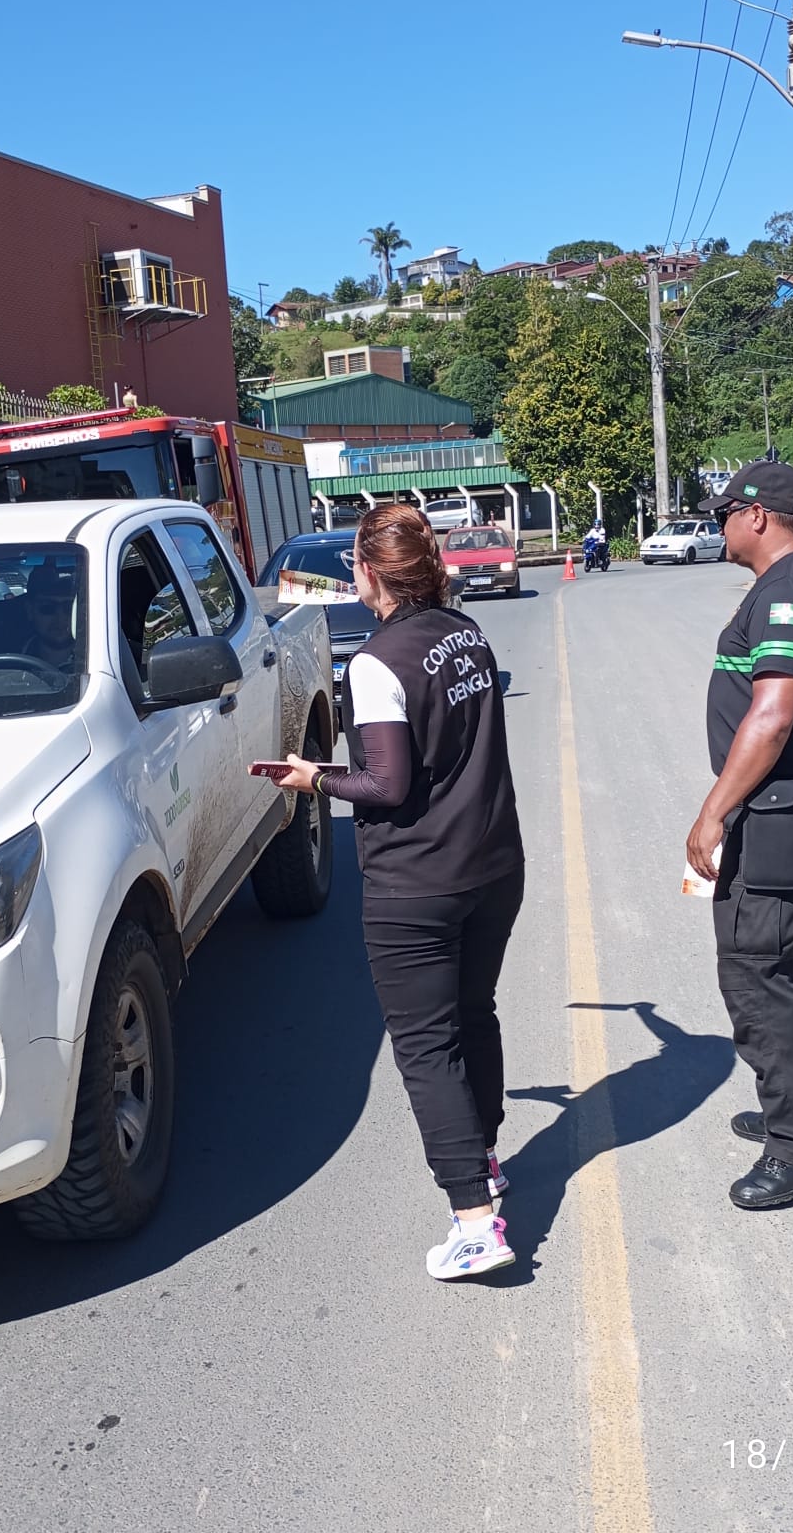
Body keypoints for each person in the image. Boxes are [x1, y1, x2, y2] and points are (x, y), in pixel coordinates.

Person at [274, 503, 524, 1280]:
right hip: (492, 865)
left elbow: (385, 783)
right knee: (473, 1014)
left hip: (419, 882)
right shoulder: (465, 634)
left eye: (354, 561)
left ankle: (475, 1221)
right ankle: (483, 1157)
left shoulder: (377, 664)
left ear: (370, 574)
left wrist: (315, 778)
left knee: (426, 1045)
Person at [684, 460, 793, 1211]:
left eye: (724, 515)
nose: (717, 527)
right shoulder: (790, 585)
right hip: (787, 800)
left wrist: (714, 809)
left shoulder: (790, 593)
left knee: (757, 967)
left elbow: (774, 716)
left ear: (758, 517)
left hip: (785, 806)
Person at [20, 564, 79, 672]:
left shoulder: (100, 660)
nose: (60, 619)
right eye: (47, 608)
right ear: (30, 611)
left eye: (68, 608)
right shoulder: (9, 664)